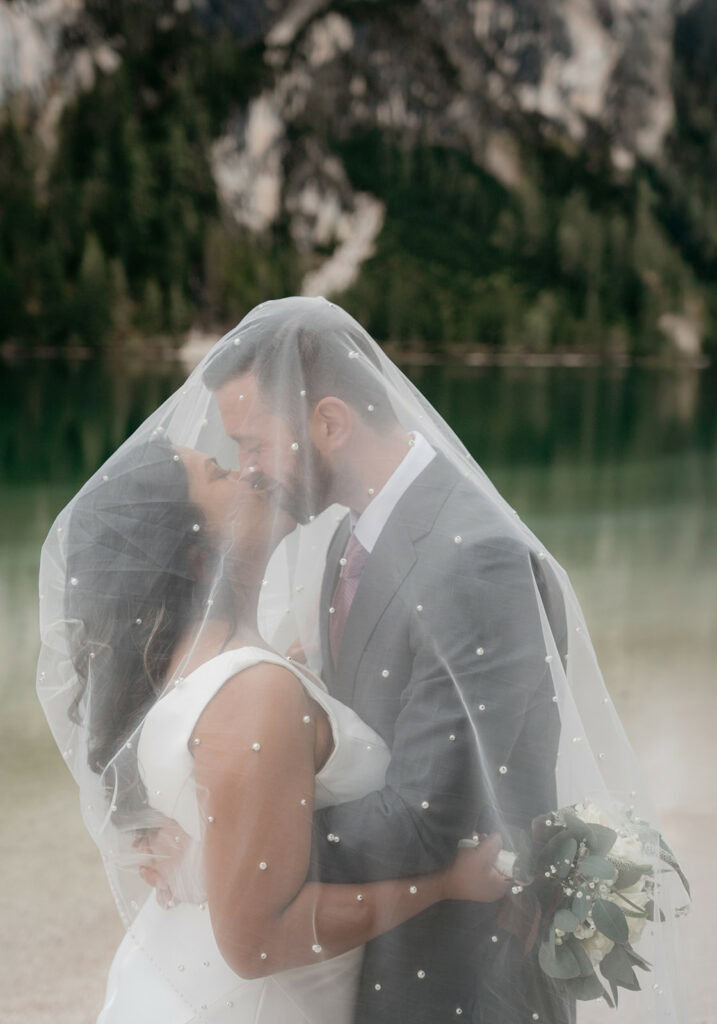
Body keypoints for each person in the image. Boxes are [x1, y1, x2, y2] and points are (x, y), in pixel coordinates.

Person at [38, 297, 686, 1024]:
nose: (250, 471)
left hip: (452, 983)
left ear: (329, 424)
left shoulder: (475, 560)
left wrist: (215, 856)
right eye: (232, 459)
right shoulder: (348, 545)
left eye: (252, 445)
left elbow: (430, 815)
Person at [43, 433, 511, 1024]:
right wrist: (443, 884)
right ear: (195, 553)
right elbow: (256, 944)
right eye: (220, 474)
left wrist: (196, 860)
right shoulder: (253, 691)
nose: (250, 473)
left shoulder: (203, 667)